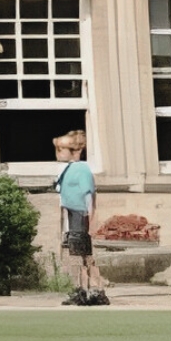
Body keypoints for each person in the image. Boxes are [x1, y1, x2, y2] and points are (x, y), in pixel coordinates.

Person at [50, 131, 106, 306]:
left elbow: (88, 195)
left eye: (62, 149)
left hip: (80, 216)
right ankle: (88, 291)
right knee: (79, 256)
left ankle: (90, 291)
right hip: (71, 216)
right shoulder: (67, 169)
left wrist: (90, 219)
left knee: (82, 257)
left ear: (75, 151)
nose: (59, 153)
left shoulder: (81, 169)